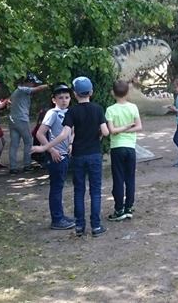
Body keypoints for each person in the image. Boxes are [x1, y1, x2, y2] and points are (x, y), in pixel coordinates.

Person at [64, 76, 110, 237]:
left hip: (78, 155)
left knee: (79, 191)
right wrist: (98, 134)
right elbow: (105, 132)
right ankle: (96, 226)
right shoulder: (97, 109)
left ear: (74, 94)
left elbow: (67, 132)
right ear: (91, 92)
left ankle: (79, 226)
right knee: (95, 191)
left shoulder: (72, 111)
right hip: (94, 154)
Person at [31, 83, 76, 230]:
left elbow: (72, 131)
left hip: (65, 154)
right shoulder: (52, 113)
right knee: (56, 188)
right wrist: (51, 150)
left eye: (67, 97)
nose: (64, 100)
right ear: (54, 100)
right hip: (56, 156)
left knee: (60, 186)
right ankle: (57, 219)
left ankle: (60, 215)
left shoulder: (69, 112)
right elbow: (40, 134)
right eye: (60, 98)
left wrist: (71, 144)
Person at [105, 80, 142, 222]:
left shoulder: (110, 110)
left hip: (117, 147)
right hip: (130, 147)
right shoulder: (133, 107)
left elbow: (112, 130)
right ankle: (129, 207)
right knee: (130, 178)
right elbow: (138, 126)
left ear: (113, 93)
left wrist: (121, 130)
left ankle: (119, 209)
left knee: (119, 179)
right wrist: (127, 128)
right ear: (127, 92)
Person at [8, 73, 49, 175]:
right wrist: (49, 85)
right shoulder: (23, 89)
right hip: (22, 119)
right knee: (28, 141)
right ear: (28, 82)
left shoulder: (17, 91)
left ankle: (13, 167)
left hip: (13, 119)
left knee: (14, 144)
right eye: (33, 83)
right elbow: (37, 89)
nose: (34, 85)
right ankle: (27, 165)